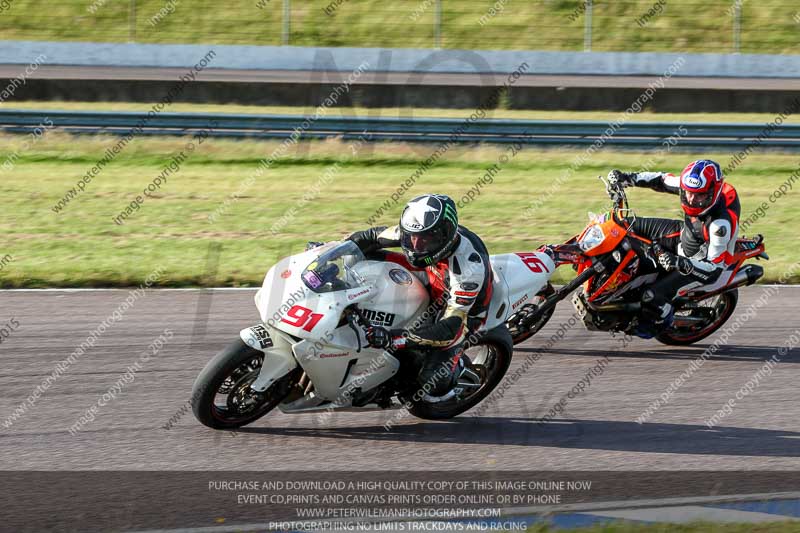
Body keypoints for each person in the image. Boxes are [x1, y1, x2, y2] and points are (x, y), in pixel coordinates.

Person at [347, 194, 492, 397]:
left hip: (461, 315)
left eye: (425, 240)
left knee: (432, 382)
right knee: (365, 256)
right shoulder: (419, 231)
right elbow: (369, 237)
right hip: (432, 275)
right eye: (409, 238)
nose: (415, 246)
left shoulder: (469, 269)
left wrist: (394, 338)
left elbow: (452, 328)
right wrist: (330, 250)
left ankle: (456, 374)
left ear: (444, 236)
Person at [607, 159, 741, 326]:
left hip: (699, 262)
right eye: (688, 193)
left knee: (650, 297)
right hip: (686, 234)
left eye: (700, 195)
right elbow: (661, 180)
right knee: (625, 226)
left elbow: (714, 270)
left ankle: (663, 321)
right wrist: (626, 178)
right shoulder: (691, 185)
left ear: (713, 193)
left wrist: (679, 262)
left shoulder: (719, 225)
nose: (692, 199)